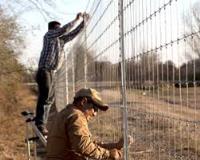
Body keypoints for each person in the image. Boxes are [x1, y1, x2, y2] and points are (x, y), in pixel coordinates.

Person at [35, 12, 89, 135]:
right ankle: (40, 123)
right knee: (45, 96)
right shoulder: (49, 36)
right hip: (44, 70)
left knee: (49, 98)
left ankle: (41, 121)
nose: (60, 31)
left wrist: (84, 22)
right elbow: (65, 29)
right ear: (53, 29)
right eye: (57, 29)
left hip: (51, 72)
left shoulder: (61, 40)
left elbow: (73, 34)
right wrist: (76, 19)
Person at [46, 88, 126, 160]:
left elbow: (86, 143)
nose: (95, 114)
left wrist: (114, 146)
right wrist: (108, 154)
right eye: (94, 108)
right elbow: (83, 146)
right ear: (83, 102)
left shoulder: (66, 113)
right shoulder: (77, 116)